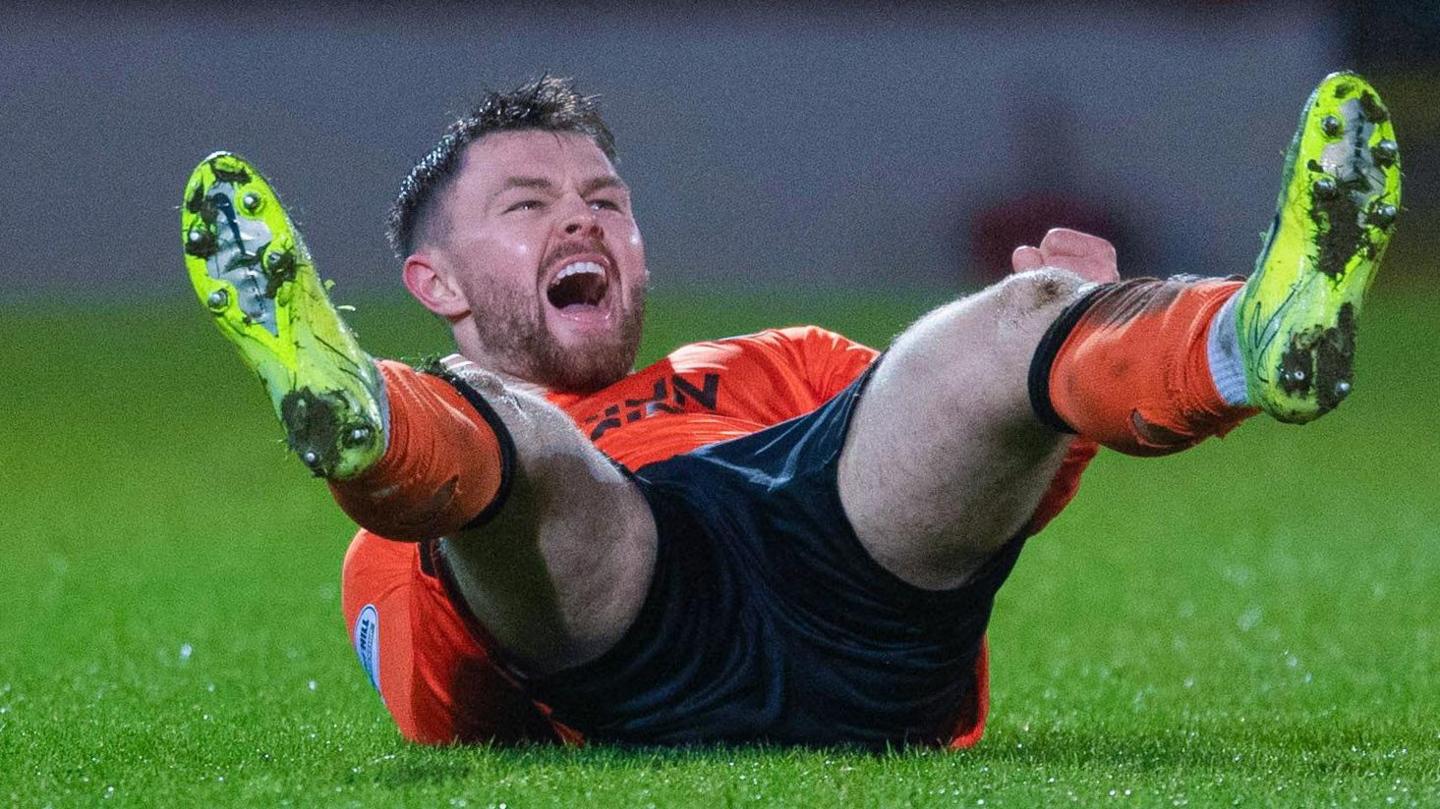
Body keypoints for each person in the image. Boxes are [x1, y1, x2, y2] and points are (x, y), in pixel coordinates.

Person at [180, 73, 1400, 748]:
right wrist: (452, 541)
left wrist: (1058, 357)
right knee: (516, 434)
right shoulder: (426, 504)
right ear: (434, 282)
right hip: (637, 641)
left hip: (866, 608)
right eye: (526, 205)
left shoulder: (779, 359)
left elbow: (973, 486)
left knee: (1007, 318)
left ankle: (1257, 339)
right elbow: (456, 728)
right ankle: (354, 408)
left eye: (606, 198)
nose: (582, 220)